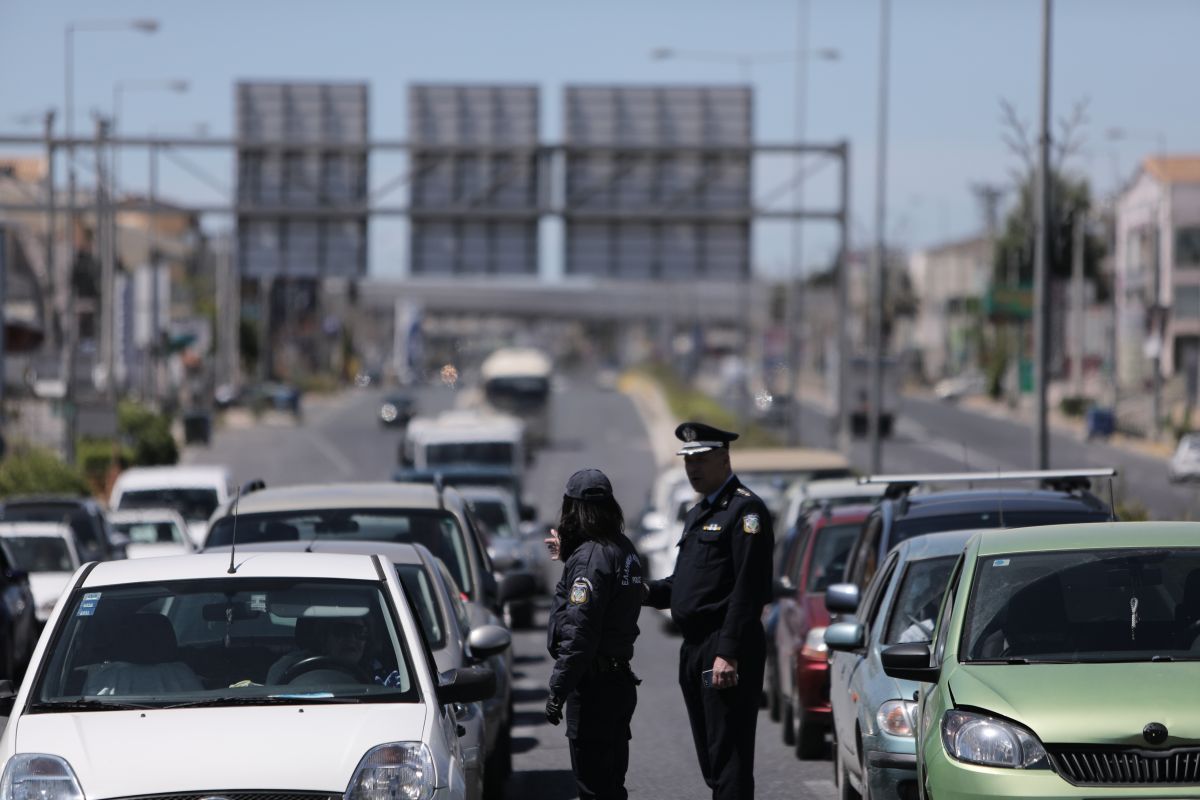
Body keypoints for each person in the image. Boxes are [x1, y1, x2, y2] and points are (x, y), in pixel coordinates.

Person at [643, 422, 774, 800]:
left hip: (724, 646)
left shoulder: (745, 510)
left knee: (729, 756)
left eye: (700, 459)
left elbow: (748, 589)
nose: (692, 468)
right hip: (696, 647)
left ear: (723, 457)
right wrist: (643, 592)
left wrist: (727, 652)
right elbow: (686, 585)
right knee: (712, 759)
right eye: (688, 460)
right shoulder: (698, 512)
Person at [544, 468, 644, 800]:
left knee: (594, 791)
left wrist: (558, 690)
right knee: (612, 787)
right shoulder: (623, 548)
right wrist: (570, 560)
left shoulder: (588, 559)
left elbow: (575, 634)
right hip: (618, 685)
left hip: (595, 692)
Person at [267, 613, 400, 686]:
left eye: (360, 632)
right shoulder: (286, 666)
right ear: (324, 637)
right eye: (342, 631)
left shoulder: (382, 676)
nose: (352, 639)